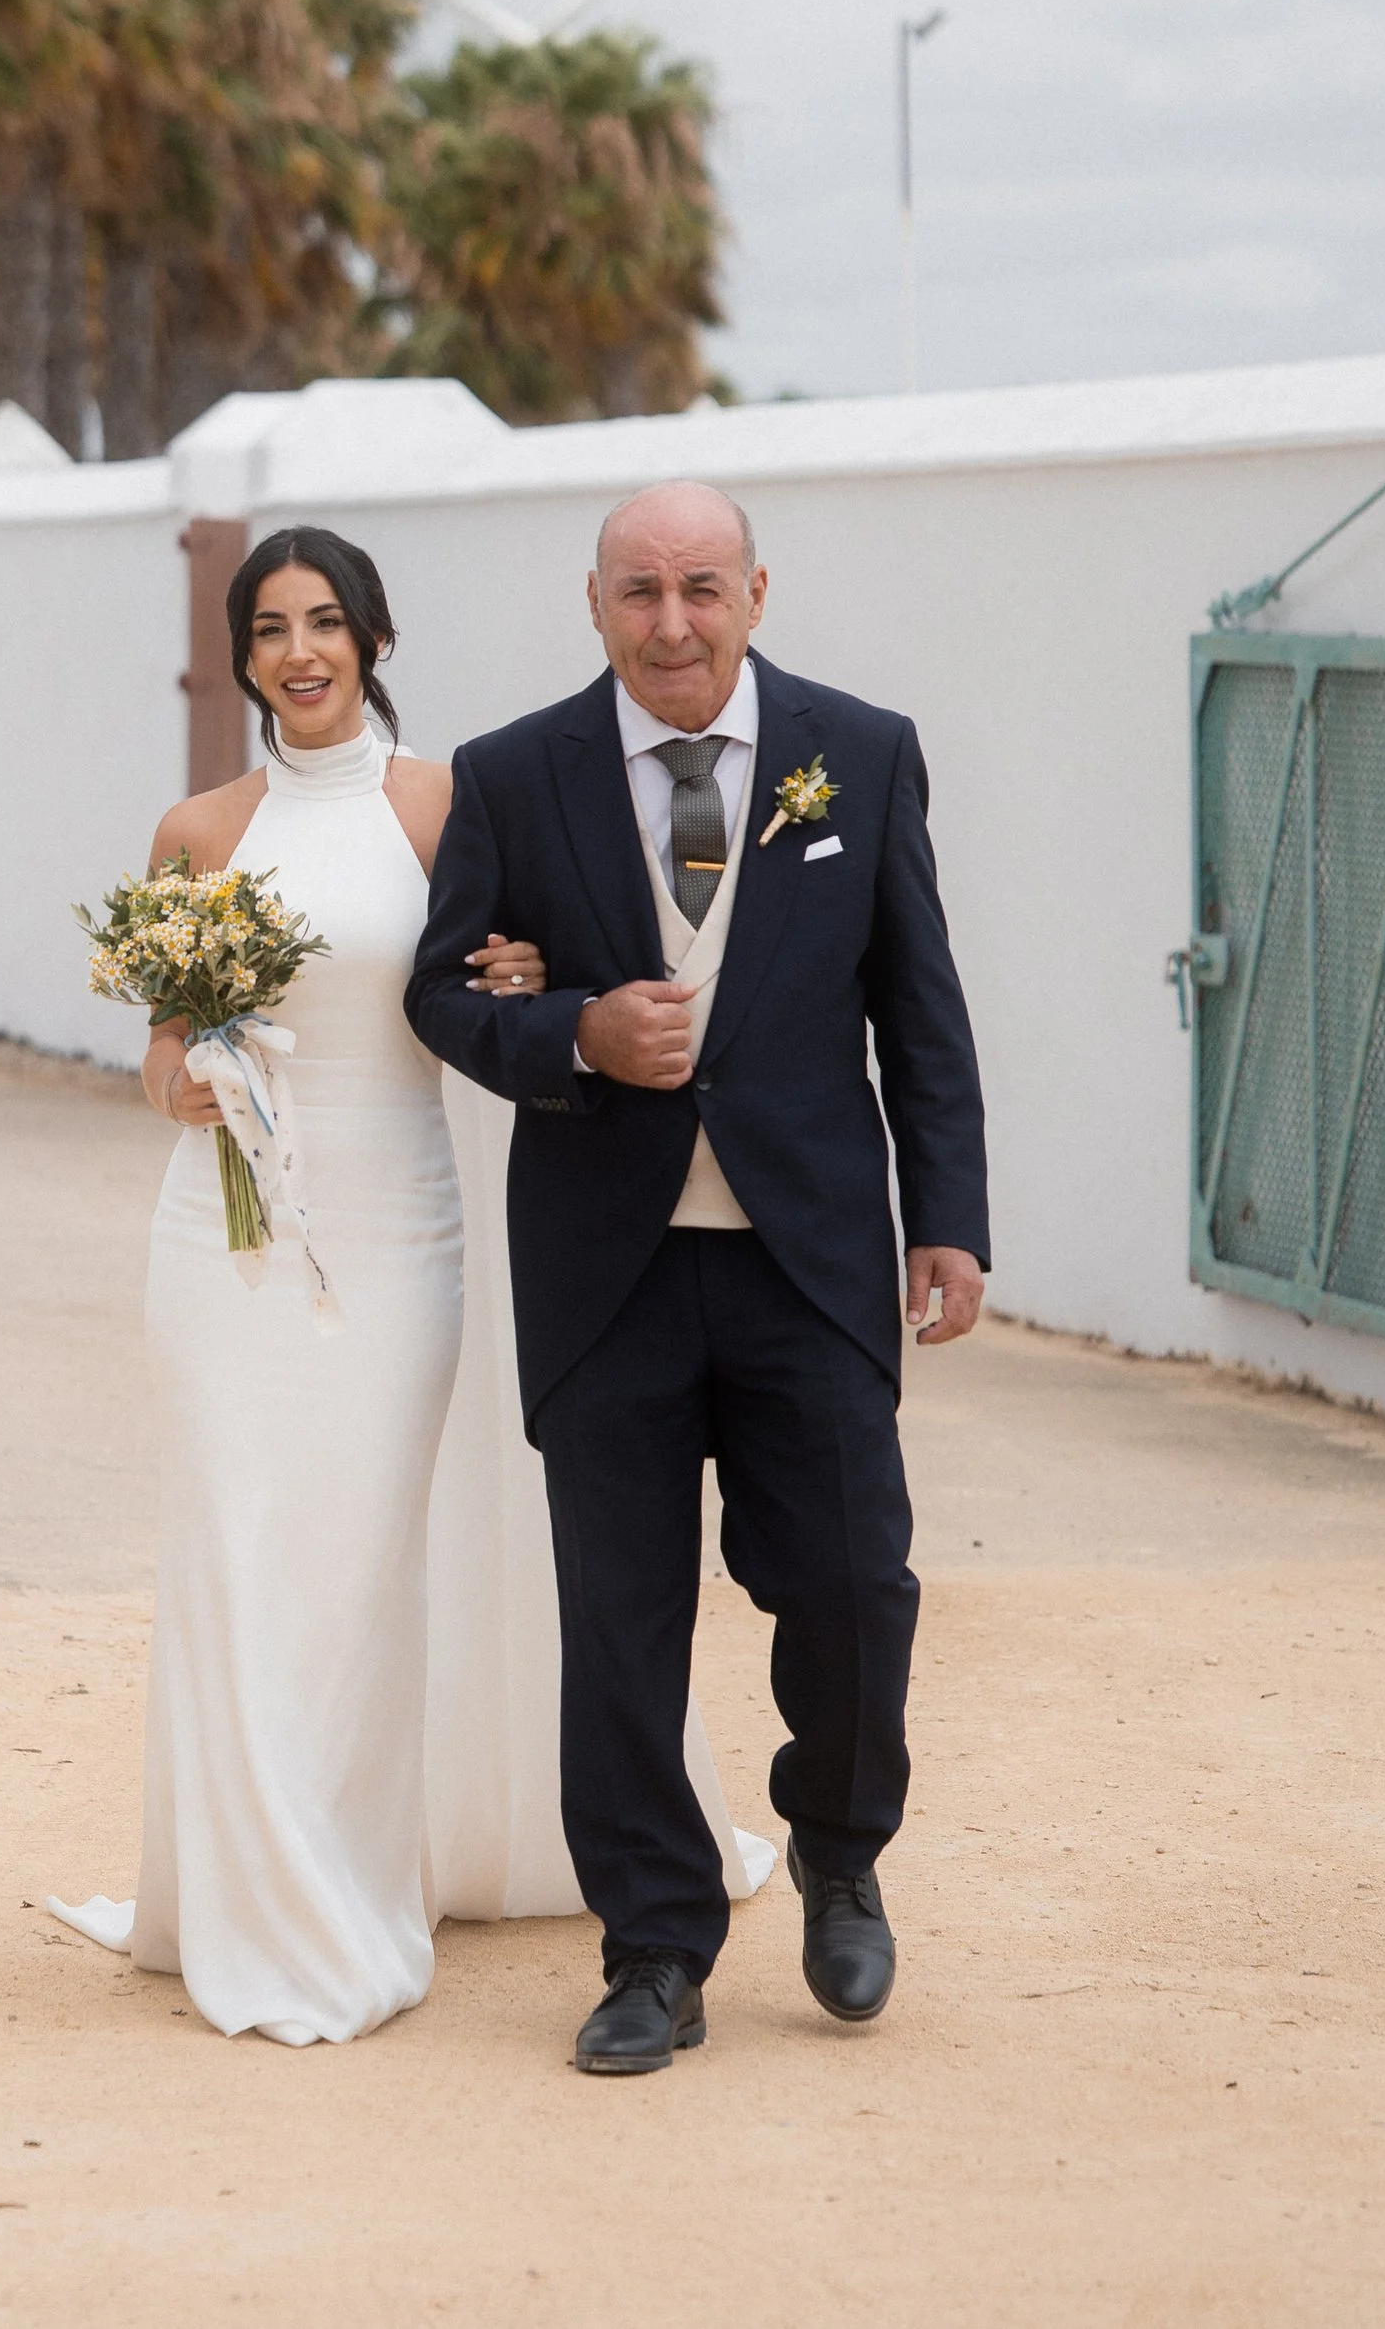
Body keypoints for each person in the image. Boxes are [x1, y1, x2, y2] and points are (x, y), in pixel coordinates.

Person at [53, 523, 772, 2045]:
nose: (299, 652)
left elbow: (511, 976)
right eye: (269, 628)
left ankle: (354, 1880)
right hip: (222, 1245)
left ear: (373, 639)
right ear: (243, 654)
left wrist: (525, 988)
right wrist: (179, 1085)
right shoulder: (197, 827)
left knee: (363, 1560)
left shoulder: (449, 802)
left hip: (396, 1235)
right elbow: (162, 1053)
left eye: (326, 621)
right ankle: (252, 1899)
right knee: (237, 1557)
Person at [408, 480, 990, 2075]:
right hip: (610, 1275)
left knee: (860, 1587)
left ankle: (839, 1845)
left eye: (703, 586)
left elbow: (919, 1005)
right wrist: (572, 1032)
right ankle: (656, 1945)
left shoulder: (858, 751)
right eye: (642, 590)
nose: (674, 620)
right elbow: (444, 994)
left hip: (809, 1259)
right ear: (593, 603)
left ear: (755, 592)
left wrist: (949, 1216)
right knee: (620, 1623)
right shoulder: (512, 773)